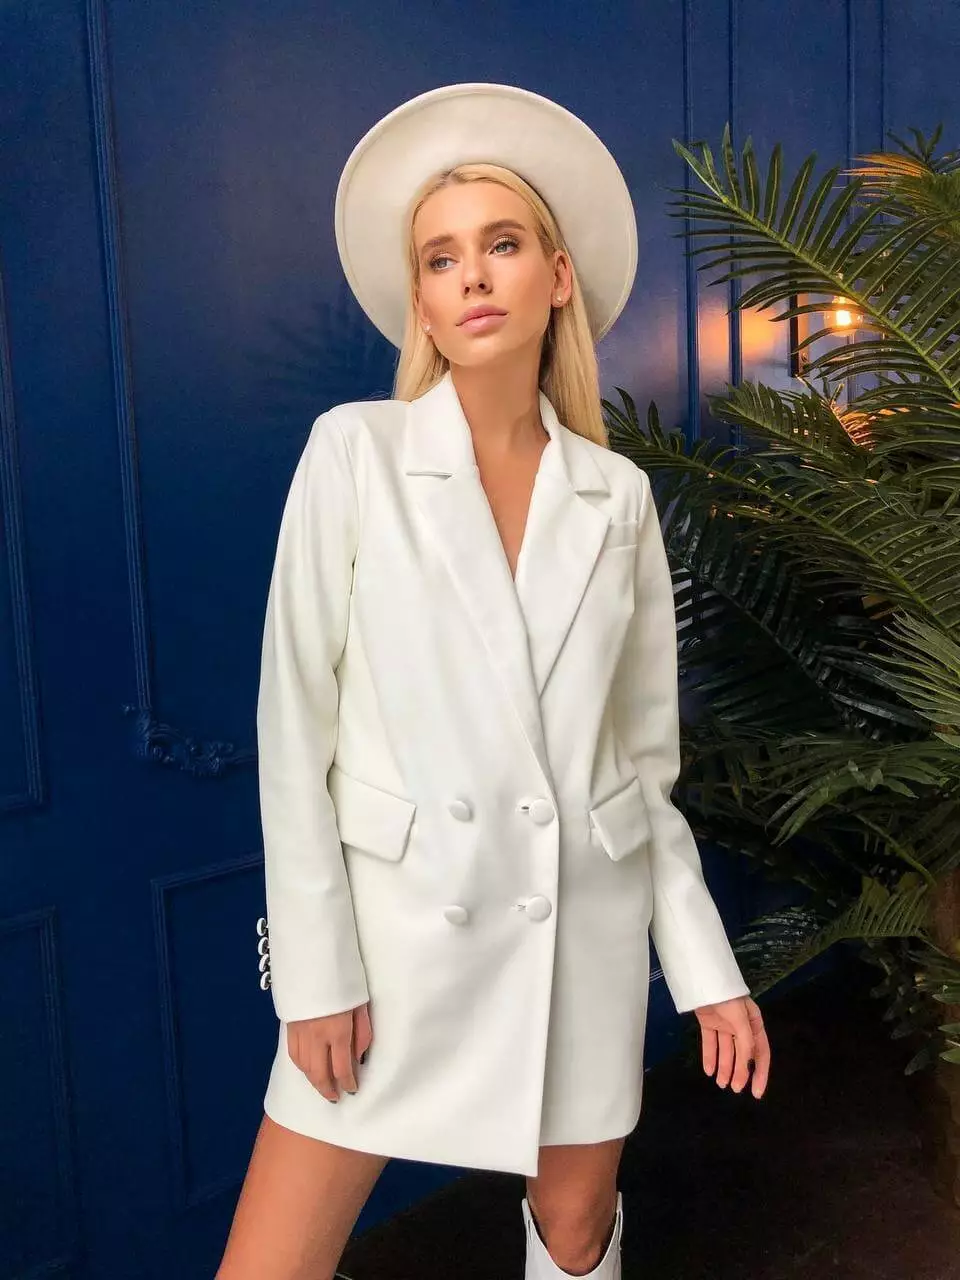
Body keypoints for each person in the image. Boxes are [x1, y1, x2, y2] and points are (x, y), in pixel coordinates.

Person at [217, 82, 772, 1280]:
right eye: (441, 257)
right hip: (393, 944)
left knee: (575, 1233)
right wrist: (314, 974)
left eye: (502, 243)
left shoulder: (615, 497)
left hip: (577, 937)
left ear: (558, 276)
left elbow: (639, 773)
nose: (471, 275)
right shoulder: (354, 452)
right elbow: (293, 726)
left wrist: (706, 971)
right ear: (421, 297)